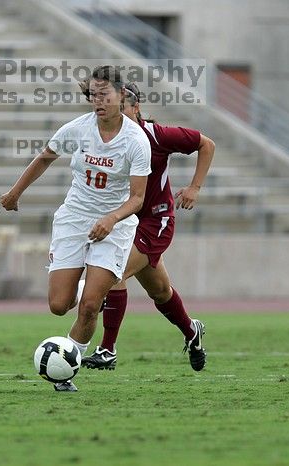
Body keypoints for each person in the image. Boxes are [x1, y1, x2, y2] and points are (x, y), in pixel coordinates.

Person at [0, 66, 151, 392]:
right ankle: (91, 283)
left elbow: (138, 198)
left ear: (121, 95)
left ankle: (65, 371)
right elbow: (44, 157)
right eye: (92, 95)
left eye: (104, 95)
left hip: (116, 225)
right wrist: (15, 192)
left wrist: (111, 219)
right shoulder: (78, 129)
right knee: (58, 305)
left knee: (89, 308)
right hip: (74, 220)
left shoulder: (136, 141)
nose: (97, 102)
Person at [77, 81, 216, 372]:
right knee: (161, 291)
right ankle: (192, 332)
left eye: (122, 107)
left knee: (114, 273)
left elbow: (206, 144)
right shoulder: (109, 137)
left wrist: (194, 187)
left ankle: (107, 350)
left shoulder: (157, 135)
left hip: (155, 220)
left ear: (136, 107)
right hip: (125, 221)